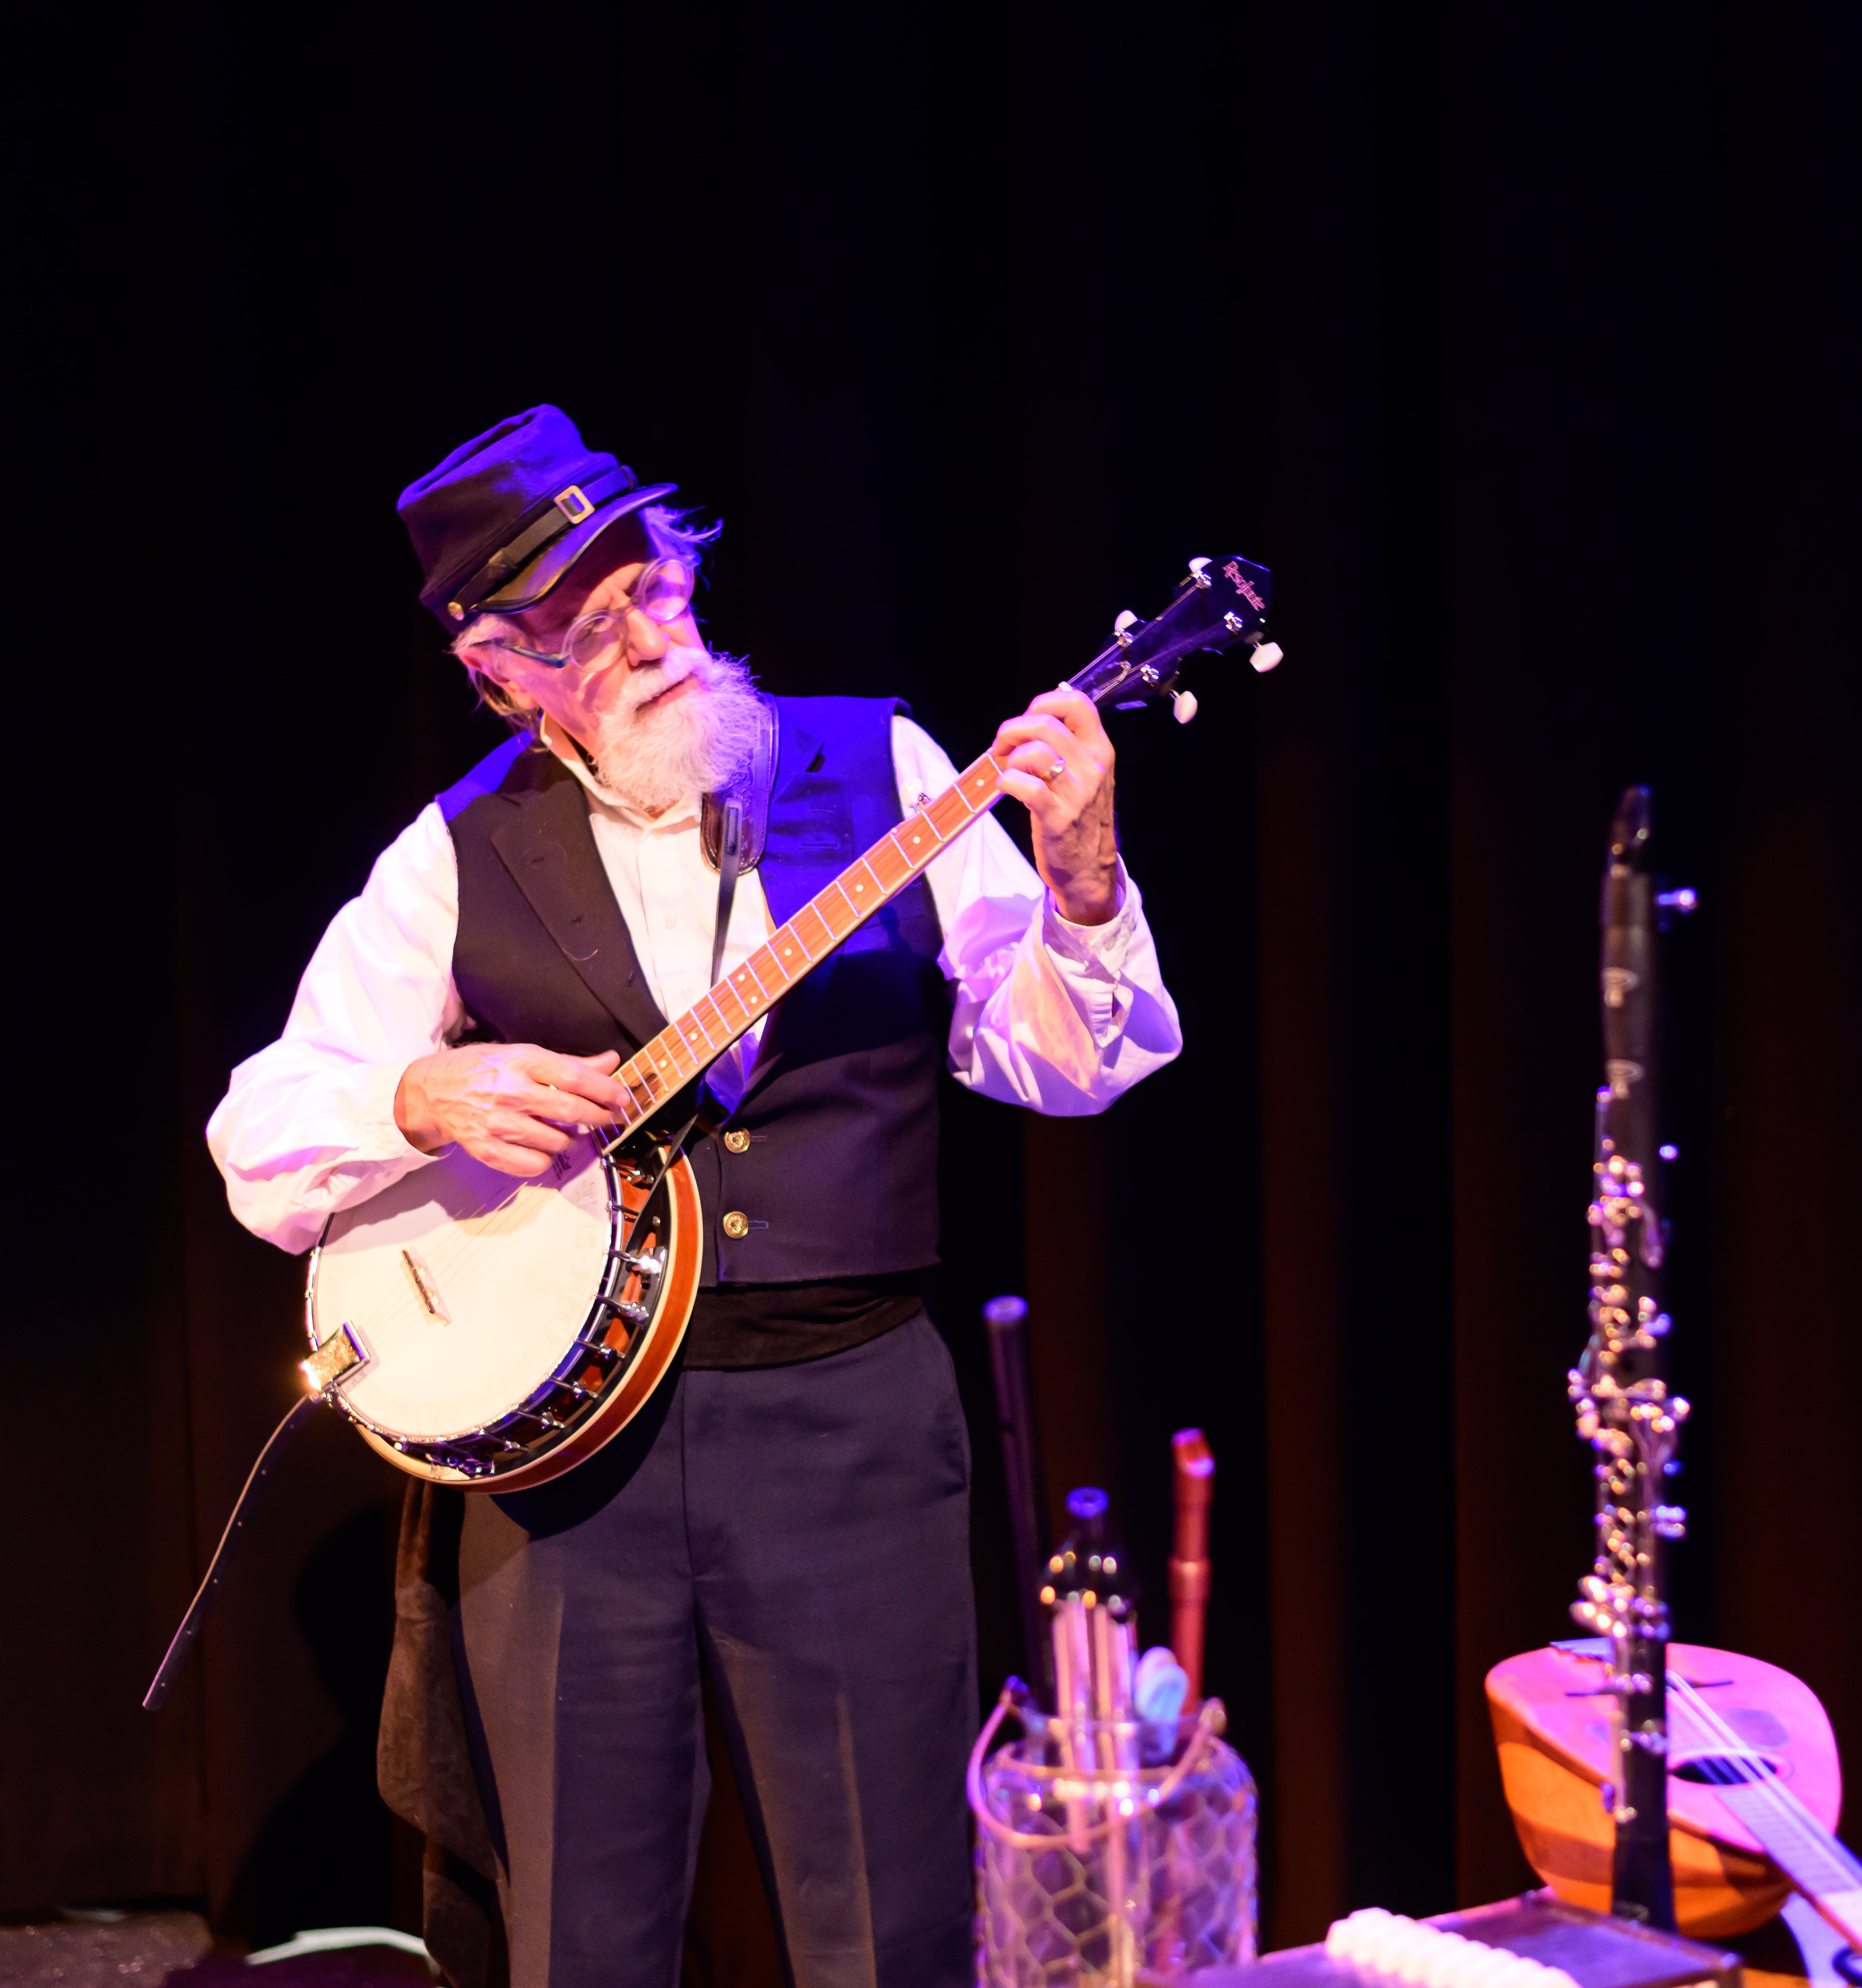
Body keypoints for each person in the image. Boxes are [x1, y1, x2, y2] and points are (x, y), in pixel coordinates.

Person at [204, 406, 1181, 1988]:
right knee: (581, 1937)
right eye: (587, 633)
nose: (651, 638)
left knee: (895, 1927)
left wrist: (1081, 876)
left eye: (655, 588)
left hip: (853, 1427)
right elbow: (259, 1132)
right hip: (570, 1478)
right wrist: (413, 1092)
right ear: (500, 670)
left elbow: (1065, 1060)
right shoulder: (456, 855)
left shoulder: (885, 764)